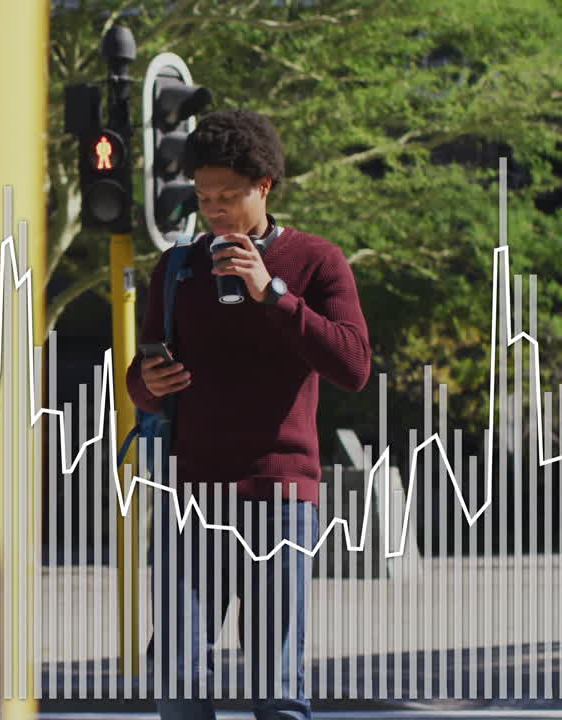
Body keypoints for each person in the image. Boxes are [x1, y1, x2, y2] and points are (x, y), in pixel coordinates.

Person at [126, 108, 372, 719]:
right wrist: (148, 381)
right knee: (178, 682)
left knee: (275, 686)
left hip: (279, 497)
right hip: (189, 498)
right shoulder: (177, 268)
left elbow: (354, 365)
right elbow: (142, 378)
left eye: (228, 195)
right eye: (204, 196)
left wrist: (275, 296)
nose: (214, 209)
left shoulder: (317, 262)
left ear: (264, 186)